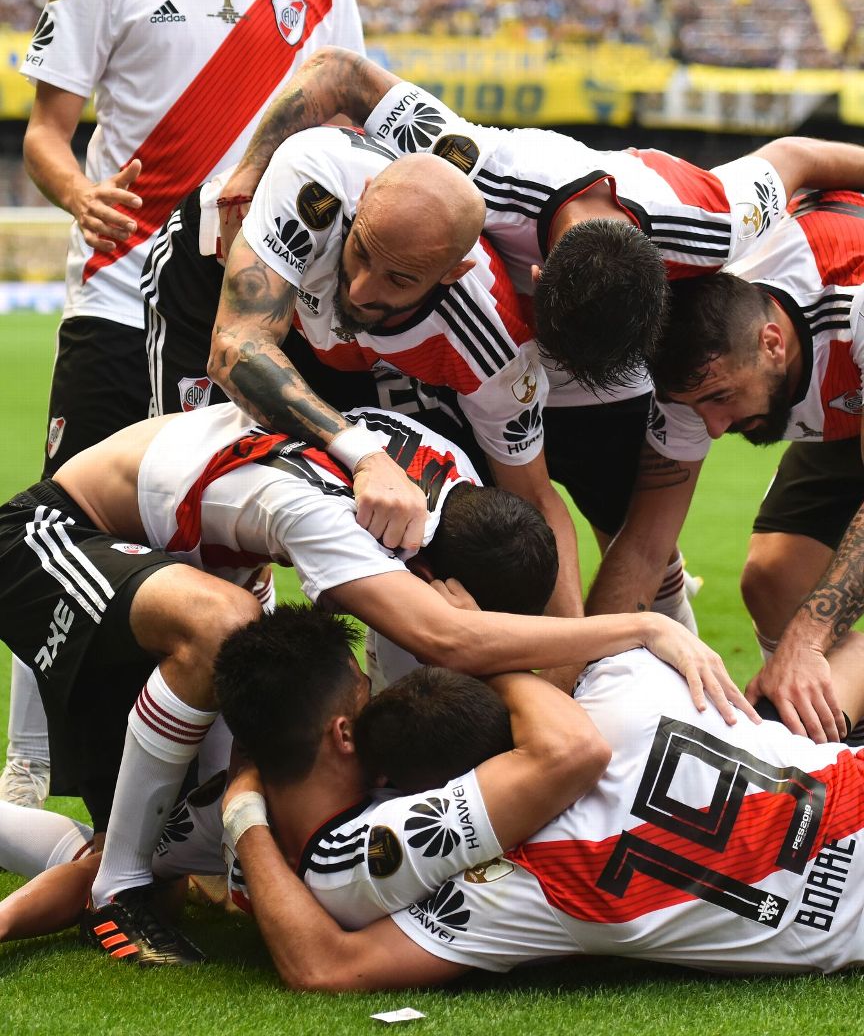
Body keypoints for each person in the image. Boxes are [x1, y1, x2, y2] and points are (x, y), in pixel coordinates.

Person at [0, 399, 744, 965]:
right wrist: (645, 627)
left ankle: (124, 867)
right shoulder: (349, 527)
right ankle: (118, 890)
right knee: (222, 631)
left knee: (158, 841)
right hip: (62, 533)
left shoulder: (455, 490)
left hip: (200, 559)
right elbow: (448, 637)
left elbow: (443, 645)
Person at [212, 46, 864, 641]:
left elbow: (797, 157)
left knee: (633, 531)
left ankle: (667, 665)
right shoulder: (466, 162)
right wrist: (248, 172)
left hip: (615, 365)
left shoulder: (713, 222)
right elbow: (339, 73)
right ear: (536, 277)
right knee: (467, 528)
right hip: (480, 350)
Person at [5, 0, 366, 808]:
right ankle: (30, 764)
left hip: (250, 312)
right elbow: (45, 135)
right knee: (63, 528)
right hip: (118, 300)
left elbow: (339, 126)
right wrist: (79, 197)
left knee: (231, 533)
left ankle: (209, 781)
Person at [225, 630, 864, 988]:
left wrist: (242, 810)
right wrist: (477, 646)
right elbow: (568, 743)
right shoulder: (625, 678)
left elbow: (325, 965)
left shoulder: (514, 889)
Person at [145, 127, 583, 624]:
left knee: (438, 520)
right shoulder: (316, 178)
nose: (359, 288)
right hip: (215, 279)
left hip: (348, 347)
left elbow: (535, 498)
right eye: (363, 251)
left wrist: (568, 665)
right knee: (185, 497)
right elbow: (234, 349)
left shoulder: (493, 352)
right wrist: (367, 455)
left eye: (398, 278)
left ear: (452, 273)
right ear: (365, 193)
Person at [0, 605, 613, 957]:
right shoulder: (245, 807)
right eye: (365, 690)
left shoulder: (407, 781)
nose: (378, 695)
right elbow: (108, 873)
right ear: (343, 733)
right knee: (143, 877)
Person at [587, 189, 864, 744]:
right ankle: (824, 742)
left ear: (771, 344)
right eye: (697, 408)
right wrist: (581, 692)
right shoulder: (701, 359)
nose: (714, 428)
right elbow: (644, 543)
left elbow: (797, 152)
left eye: (721, 399)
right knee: (774, 578)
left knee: (806, 634)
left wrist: (807, 643)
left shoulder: (853, 306)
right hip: (845, 408)